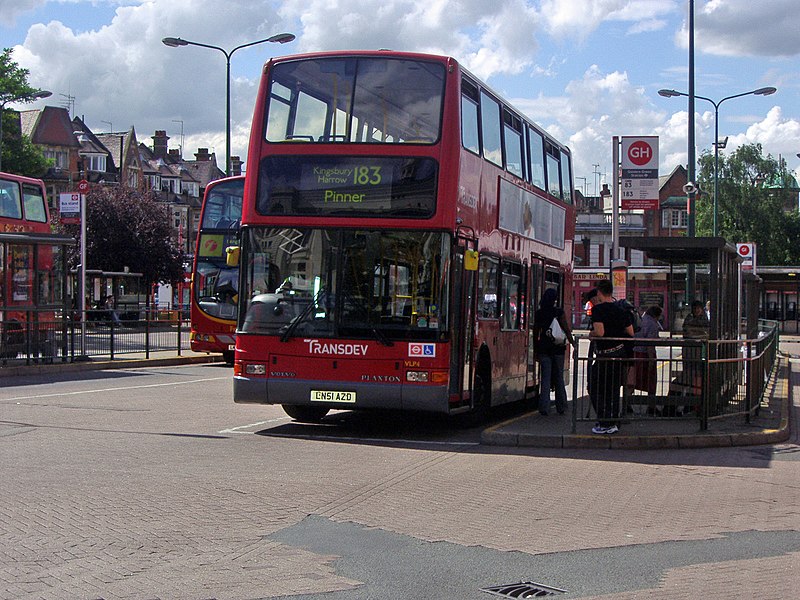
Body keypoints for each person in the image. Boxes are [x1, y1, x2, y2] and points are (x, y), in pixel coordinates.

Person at [589, 279, 634, 434]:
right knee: (613, 390)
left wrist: (591, 333)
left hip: (604, 355)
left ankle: (603, 421)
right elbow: (631, 332)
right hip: (619, 354)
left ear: (600, 292)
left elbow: (600, 332)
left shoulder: (598, 310)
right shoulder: (621, 310)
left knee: (594, 387)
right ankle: (613, 421)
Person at [532, 288, 575, 416]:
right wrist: (572, 343)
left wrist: (536, 350)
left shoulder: (539, 313)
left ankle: (544, 407)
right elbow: (566, 329)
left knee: (545, 379)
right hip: (558, 349)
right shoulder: (558, 312)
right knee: (558, 378)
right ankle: (561, 406)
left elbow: (535, 332)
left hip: (544, 349)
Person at [626, 305, 663, 413]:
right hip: (645, 355)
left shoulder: (640, 320)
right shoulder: (653, 324)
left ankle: (627, 404)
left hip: (634, 353)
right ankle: (651, 406)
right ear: (657, 315)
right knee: (651, 381)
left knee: (632, 380)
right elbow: (650, 344)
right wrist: (651, 360)